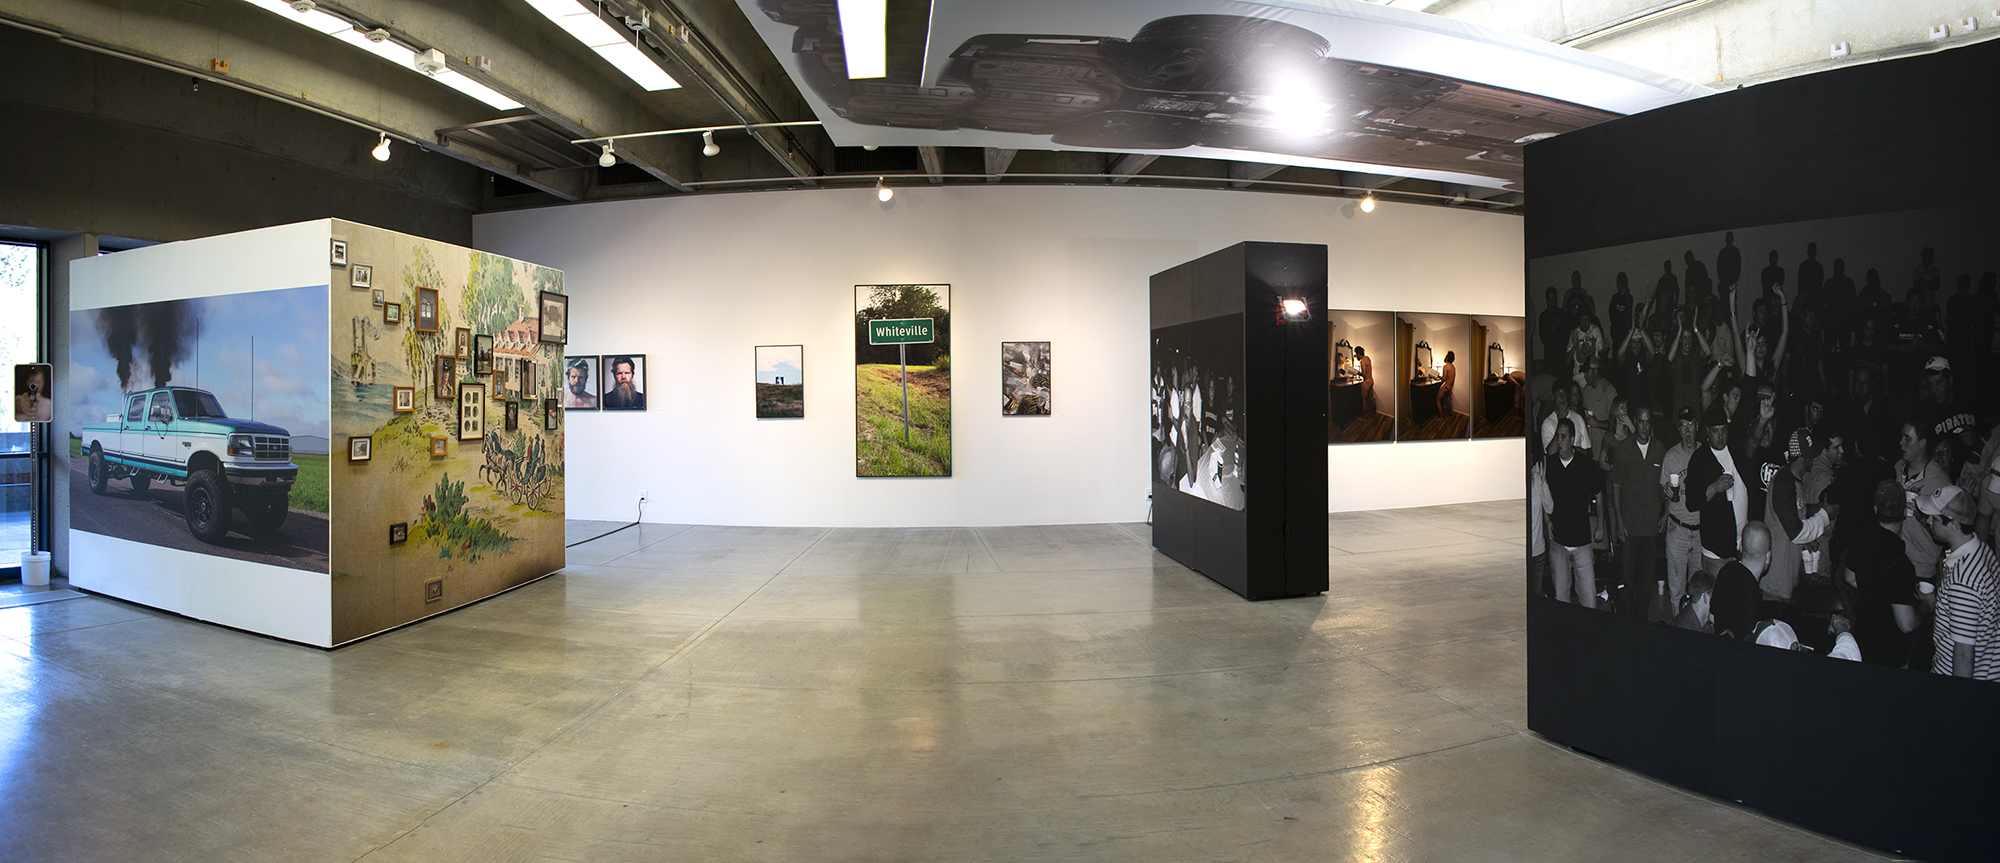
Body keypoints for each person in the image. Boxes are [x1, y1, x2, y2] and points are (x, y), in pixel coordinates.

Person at [1922, 486, 2000, 680]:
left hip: (1956, 680)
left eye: (1934, 518)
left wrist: (1959, 702)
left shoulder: (1964, 581)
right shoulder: (1982, 550)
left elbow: (1964, 655)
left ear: (1954, 525)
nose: (1928, 521)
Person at [1844, 479, 1919, 668]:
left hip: (1862, 639)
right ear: (1903, 513)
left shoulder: (1861, 539)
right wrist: (1926, 605)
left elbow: (1849, 577)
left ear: (1876, 509)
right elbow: (1906, 624)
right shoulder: (1901, 563)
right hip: (1889, 653)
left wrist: (1874, 589)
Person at [1611, 404, 1666, 619]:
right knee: (1626, 582)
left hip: (1651, 529)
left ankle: (1641, 624)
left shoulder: (1661, 450)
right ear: (1635, 421)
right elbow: (1615, 485)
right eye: (1640, 422)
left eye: (1647, 422)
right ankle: (1626, 624)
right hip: (1629, 528)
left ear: (1652, 422)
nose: (1644, 426)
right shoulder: (1624, 448)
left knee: (1645, 584)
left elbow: (1666, 488)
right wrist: (1618, 521)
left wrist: (1665, 513)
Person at [1546, 421, 1605, 608]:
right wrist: (1547, 519)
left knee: (1589, 600)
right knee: (1561, 598)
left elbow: (1599, 494)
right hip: (1558, 544)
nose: (1559, 441)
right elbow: (1541, 494)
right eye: (1557, 437)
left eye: (1563, 437)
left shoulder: (1585, 465)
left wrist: (1600, 525)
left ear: (1572, 440)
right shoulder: (1551, 466)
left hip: (1582, 543)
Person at [1687, 403, 1748, 573]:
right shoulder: (1699, 459)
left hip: (1741, 546)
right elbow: (1691, 502)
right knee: (1715, 597)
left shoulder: (1736, 449)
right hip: (1716, 551)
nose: (1720, 437)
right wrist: (1714, 487)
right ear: (1707, 431)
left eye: (1724, 430)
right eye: (1715, 431)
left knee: (1736, 598)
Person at [1660, 406, 1705, 611]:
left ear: (1697, 427)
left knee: (1699, 591)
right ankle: (1677, 630)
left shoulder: (1707, 454)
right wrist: (1666, 492)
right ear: (1679, 430)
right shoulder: (1670, 456)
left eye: (1691, 425)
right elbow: (1662, 493)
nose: (1687, 430)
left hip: (1701, 531)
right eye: (1683, 426)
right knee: (1676, 589)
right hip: (1677, 530)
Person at [1713, 521, 1772, 640]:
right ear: (1767, 557)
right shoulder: (1752, 594)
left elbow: (1711, 617)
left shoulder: (1726, 570)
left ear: (1740, 546)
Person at [1437, 350, 1456, 417]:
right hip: (1450, 387)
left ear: (1447, 357)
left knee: (1438, 400)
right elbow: (1450, 378)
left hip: (1446, 387)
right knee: (1448, 399)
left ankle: (1441, 418)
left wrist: (1438, 376)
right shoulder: (1453, 367)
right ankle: (1451, 413)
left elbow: (1444, 379)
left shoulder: (1446, 366)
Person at [1357, 346, 1375, 414]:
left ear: (1358, 353)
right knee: (1371, 398)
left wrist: (1358, 373)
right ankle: (1374, 414)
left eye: (1356, 354)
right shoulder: (1367, 358)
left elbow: (1364, 374)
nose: (1356, 356)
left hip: (1366, 381)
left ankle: (1363, 418)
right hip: (1371, 380)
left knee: (1364, 399)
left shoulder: (1362, 361)